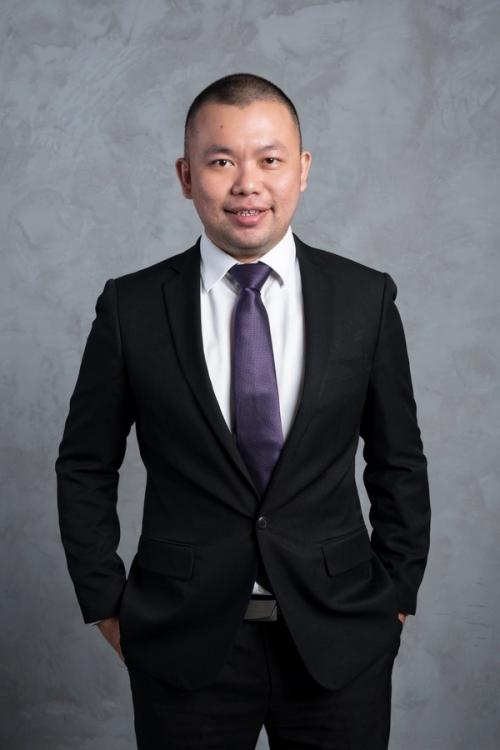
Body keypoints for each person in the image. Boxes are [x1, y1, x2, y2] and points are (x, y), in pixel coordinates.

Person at [56, 73, 431, 749]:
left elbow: (398, 461)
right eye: (222, 161)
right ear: (186, 175)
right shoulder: (131, 309)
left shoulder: (365, 299)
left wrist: (395, 597)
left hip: (340, 638)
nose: (247, 184)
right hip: (183, 639)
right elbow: (85, 465)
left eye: (270, 159)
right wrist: (107, 604)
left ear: (302, 169)